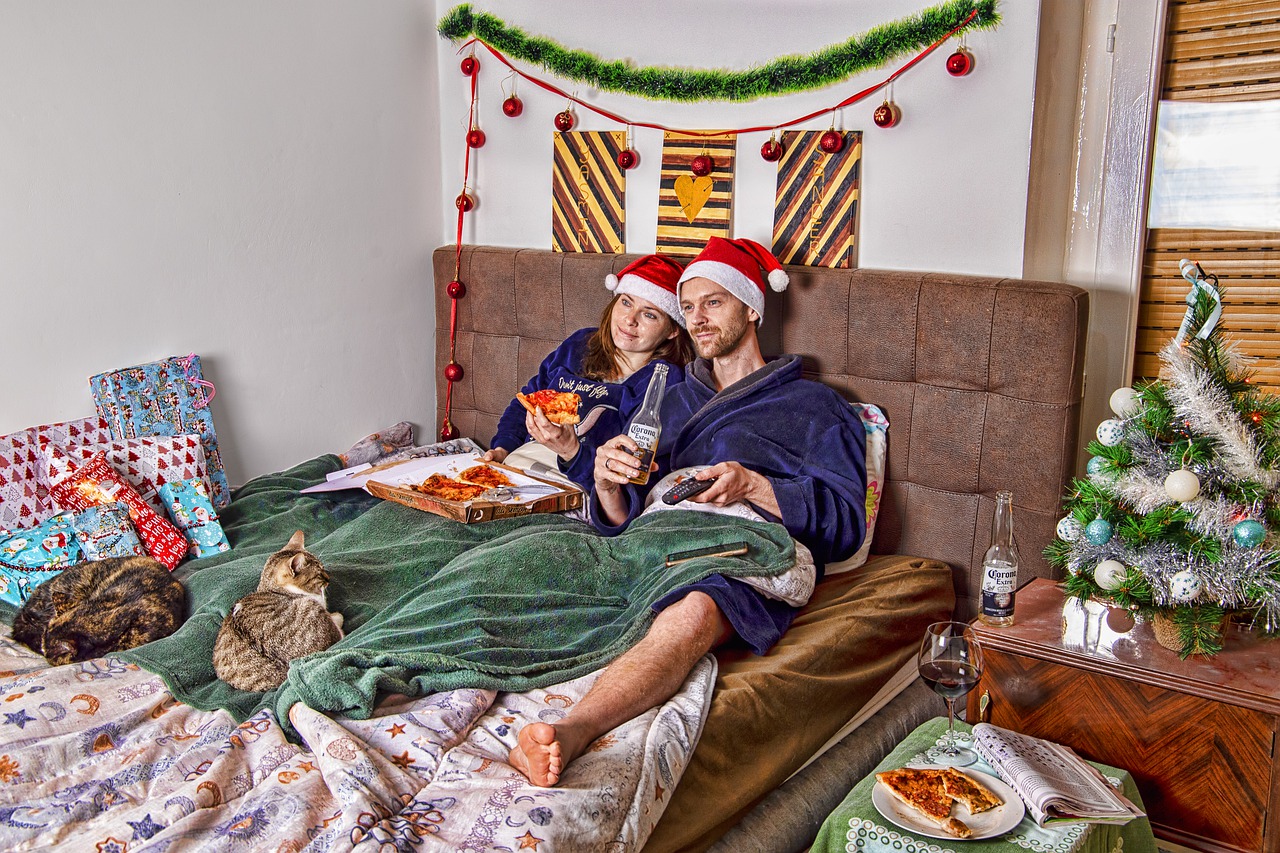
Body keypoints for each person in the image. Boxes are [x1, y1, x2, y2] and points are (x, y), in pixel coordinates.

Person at [508, 237, 868, 787]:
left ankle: (573, 728)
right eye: (689, 305)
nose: (696, 318)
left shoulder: (817, 407)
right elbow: (623, 513)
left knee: (697, 609)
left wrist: (755, 484)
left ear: (751, 308)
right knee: (533, 557)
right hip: (655, 534)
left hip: (740, 542)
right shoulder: (670, 398)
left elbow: (846, 526)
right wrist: (603, 477)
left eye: (713, 303)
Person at [483, 254, 692, 490]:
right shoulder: (580, 344)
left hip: (575, 487)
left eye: (649, 314)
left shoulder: (665, 384)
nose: (630, 320)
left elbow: (626, 479)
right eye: (626, 302)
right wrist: (502, 448)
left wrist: (571, 451)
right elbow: (526, 402)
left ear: (674, 330)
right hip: (515, 469)